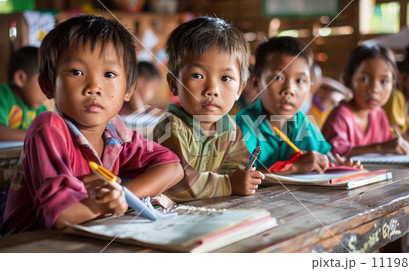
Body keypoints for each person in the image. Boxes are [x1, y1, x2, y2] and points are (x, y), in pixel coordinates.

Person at [0, 15, 183, 236]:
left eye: (109, 74)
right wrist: (103, 204)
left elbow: (173, 168)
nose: (94, 87)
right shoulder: (48, 128)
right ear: (48, 85)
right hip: (27, 247)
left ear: (128, 90)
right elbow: (60, 215)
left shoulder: (115, 133)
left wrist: (121, 195)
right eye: (76, 72)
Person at [152, 17, 264, 202]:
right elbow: (177, 182)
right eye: (197, 75)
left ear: (240, 89)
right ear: (174, 84)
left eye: (226, 78)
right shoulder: (172, 127)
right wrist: (228, 185)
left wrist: (243, 179)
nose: (212, 89)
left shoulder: (229, 128)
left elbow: (235, 169)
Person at [236, 37, 359, 175]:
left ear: (310, 86)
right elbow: (239, 177)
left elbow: (327, 158)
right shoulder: (243, 124)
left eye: (300, 80)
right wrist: (293, 167)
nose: (289, 89)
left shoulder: (301, 120)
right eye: (278, 78)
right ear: (255, 83)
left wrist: (343, 166)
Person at [322, 44, 409, 157]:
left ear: (393, 84)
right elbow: (334, 153)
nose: (374, 89)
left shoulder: (379, 115)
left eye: (383, 81)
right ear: (347, 80)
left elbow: (390, 145)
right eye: (365, 79)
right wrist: (380, 148)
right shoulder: (341, 116)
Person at [0, 46, 48, 141]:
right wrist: (37, 135)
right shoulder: (3, 95)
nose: (47, 91)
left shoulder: (41, 111)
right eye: (43, 83)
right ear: (20, 78)